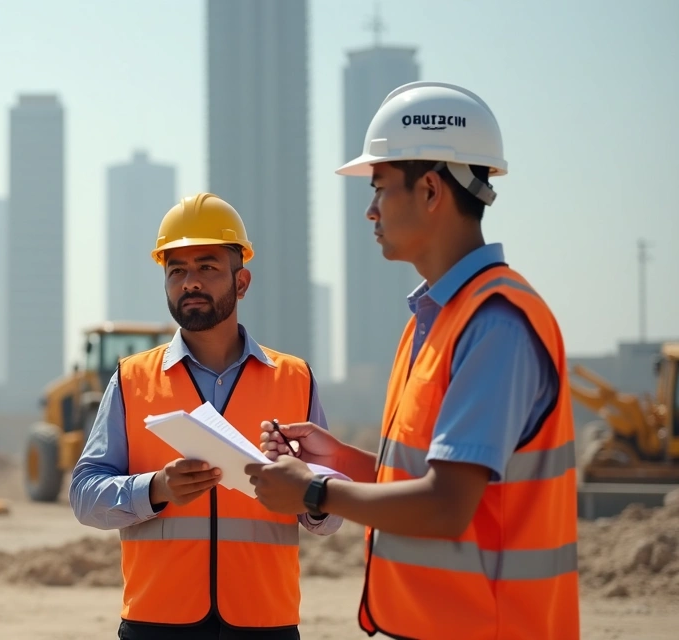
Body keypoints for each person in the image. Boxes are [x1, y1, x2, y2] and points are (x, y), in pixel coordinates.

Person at [244, 81, 580, 639]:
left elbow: (447, 505)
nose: (370, 211)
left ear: (429, 190)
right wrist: (341, 461)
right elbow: (426, 477)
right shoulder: (432, 320)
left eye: (379, 188)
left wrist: (312, 492)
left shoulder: (495, 323)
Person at [69, 192, 344, 640]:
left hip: (265, 623)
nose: (190, 282)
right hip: (158, 621)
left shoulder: (294, 379)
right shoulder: (131, 380)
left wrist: (308, 499)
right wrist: (155, 488)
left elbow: (332, 516)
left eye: (207, 267)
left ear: (242, 282)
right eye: (176, 270)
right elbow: (84, 496)